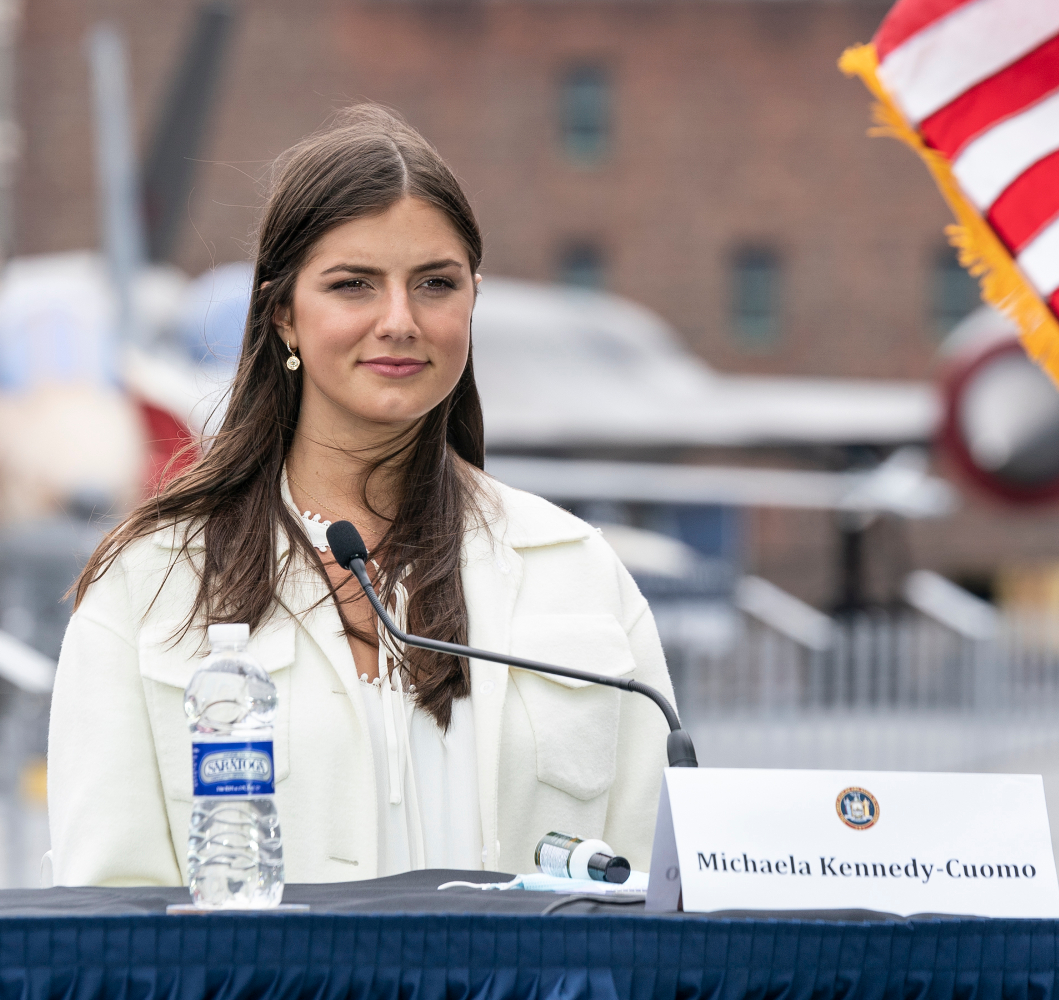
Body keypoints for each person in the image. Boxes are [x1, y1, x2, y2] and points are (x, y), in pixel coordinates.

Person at [47, 104, 674, 886]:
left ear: (471, 301)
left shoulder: (576, 571)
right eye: (353, 285)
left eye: (435, 285)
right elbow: (110, 908)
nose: (400, 321)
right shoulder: (148, 585)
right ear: (284, 314)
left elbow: (653, 891)